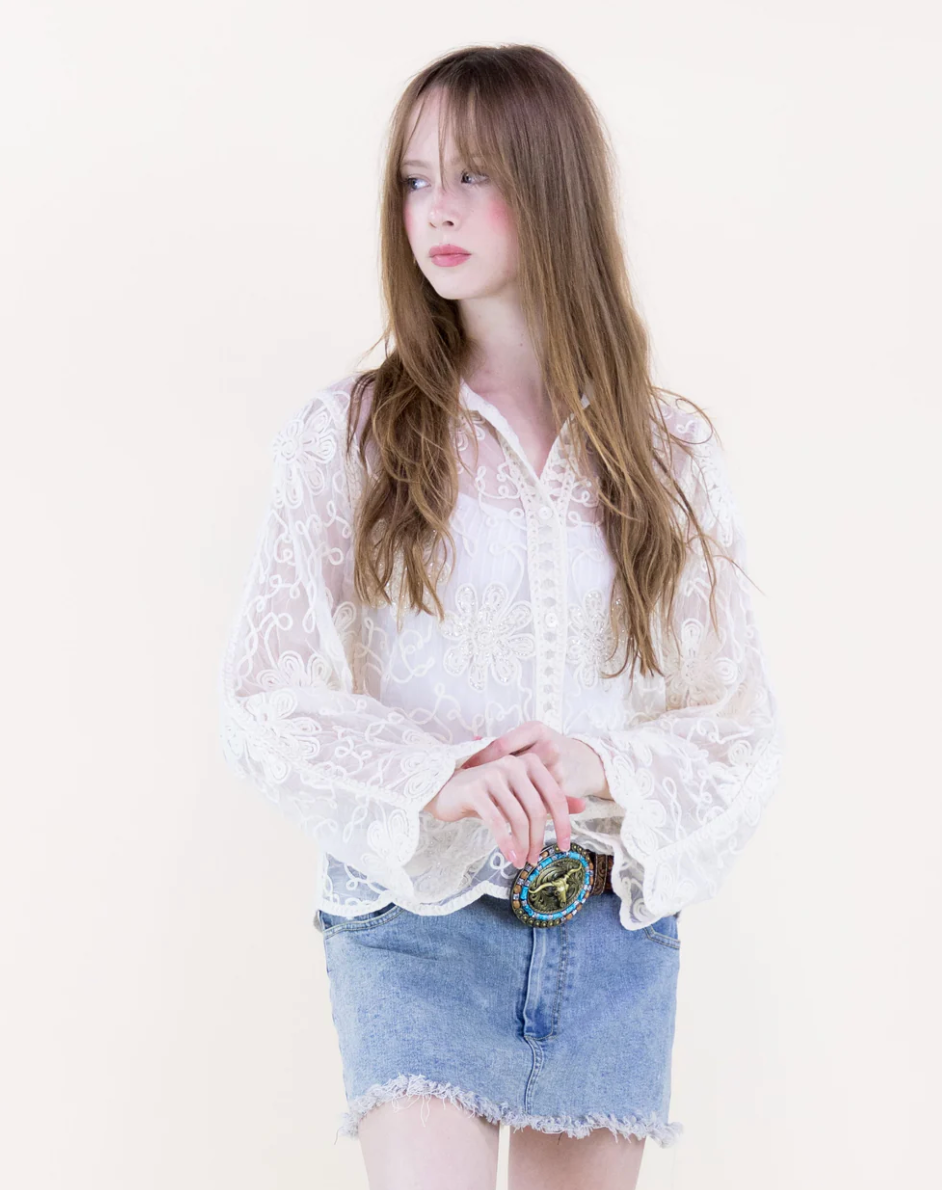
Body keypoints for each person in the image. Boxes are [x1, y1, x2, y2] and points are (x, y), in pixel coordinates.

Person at [217, 43, 785, 1190]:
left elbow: (739, 726)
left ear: (551, 181)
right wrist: (446, 771)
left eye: (474, 174)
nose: (437, 209)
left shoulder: (673, 454)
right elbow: (265, 700)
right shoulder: (350, 436)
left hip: (611, 924)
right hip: (417, 914)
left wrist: (597, 759)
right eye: (416, 180)